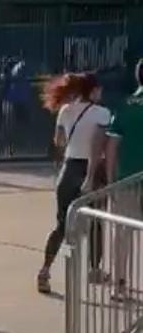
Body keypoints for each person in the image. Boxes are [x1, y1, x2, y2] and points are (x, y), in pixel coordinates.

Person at [37, 72, 109, 294]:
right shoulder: (102, 113)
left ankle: (45, 270)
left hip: (69, 168)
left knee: (62, 224)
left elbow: (59, 141)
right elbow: (101, 145)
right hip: (92, 169)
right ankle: (94, 269)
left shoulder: (65, 110)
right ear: (93, 90)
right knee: (96, 222)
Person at [106, 60, 143, 290]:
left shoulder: (125, 106)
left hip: (127, 178)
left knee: (122, 232)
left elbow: (112, 146)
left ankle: (119, 281)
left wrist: (111, 180)